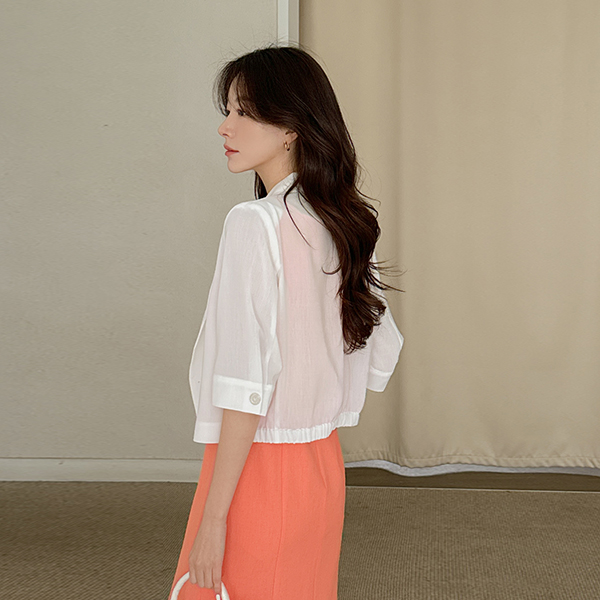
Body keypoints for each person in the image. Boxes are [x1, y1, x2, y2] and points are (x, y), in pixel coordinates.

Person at [169, 43, 404, 600]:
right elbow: (380, 347)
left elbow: (246, 384)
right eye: (227, 110)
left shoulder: (254, 224)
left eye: (244, 112)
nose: (226, 126)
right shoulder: (345, 222)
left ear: (292, 128)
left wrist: (214, 518)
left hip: (257, 465)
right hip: (321, 466)